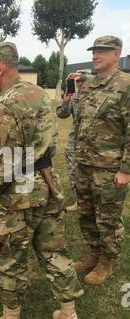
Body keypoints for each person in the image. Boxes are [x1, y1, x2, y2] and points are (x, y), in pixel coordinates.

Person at [0, 42, 84, 319]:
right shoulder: (37, 95)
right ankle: (70, 318)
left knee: (10, 257)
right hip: (47, 183)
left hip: (19, 192)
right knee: (54, 251)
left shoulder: (7, 105)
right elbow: (35, 139)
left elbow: (6, 164)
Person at [69, 36, 130, 286]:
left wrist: (126, 169)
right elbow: (81, 123)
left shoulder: (125, 85)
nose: (95, 55)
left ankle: (106, 262)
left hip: (109, 168)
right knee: (86, 215)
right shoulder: (90, 86)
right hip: (84, 164)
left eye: (102, 52)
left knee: (107, 218)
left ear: (116, 55)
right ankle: (93, 254)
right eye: (94, 51)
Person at [56, 72, 92, 213]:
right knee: (73, 169)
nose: (80, 84)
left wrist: (81, 74)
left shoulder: (96, 95)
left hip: (93, 139)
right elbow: (62, 114)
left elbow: (91, 78)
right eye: (77, 82)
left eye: (82, 81)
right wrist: (65, 101)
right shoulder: (74, 97)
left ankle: (93, 200)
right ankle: (80, 200)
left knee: (90, 170)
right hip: (75, 139)